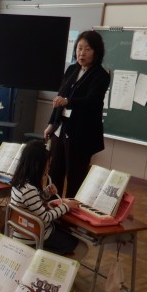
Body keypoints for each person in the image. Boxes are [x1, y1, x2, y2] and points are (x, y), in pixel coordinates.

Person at [44, 30, 111, 198]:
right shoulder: (72, 69)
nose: (82, 53)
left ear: (96, 52)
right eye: (79, 48)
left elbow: (91, 101)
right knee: (54, 173)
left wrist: (68, 101)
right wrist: (51, 124)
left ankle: (71, 211)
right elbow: (59, 97)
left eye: (87, 49)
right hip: (61, 130)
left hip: (82, 134)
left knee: (75, 177)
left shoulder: (101, 75)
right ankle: (53, 209)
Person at [10, 139, 81, 256]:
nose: (49, 167)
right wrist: (66, 206)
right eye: (48, 164)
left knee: (63, 231)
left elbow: (31, 204)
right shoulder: (29, 190)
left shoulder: (19, 182)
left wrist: (46, 193)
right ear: (38, 165)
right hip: (34, 237)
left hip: (23, 233)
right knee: (80, 246)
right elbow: (46, 217)